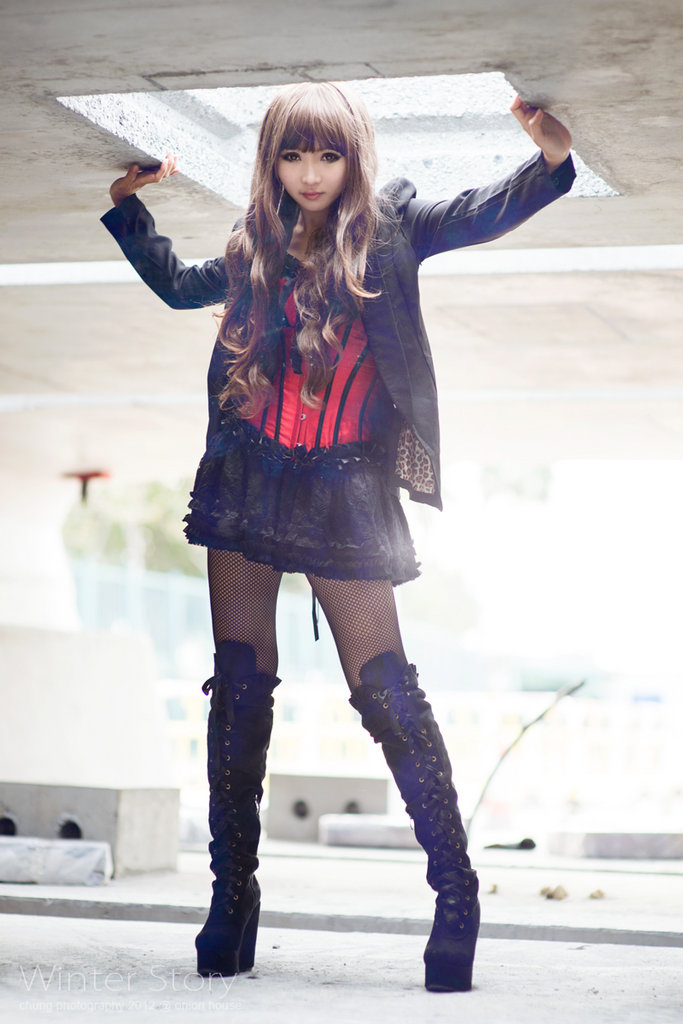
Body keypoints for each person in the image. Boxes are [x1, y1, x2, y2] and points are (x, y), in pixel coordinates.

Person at [102, 82, 574, 992]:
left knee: (384, 687)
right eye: (292, 155)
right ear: (271, 163)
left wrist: (550, 159)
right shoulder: (253, 243)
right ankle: (231, 896)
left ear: (353, 157)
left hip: (345, 490)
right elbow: (179, 287)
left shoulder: (393, 230)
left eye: (326, 155)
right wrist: (128, 210)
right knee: (238, 682)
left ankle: (455, 894)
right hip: (248, 476)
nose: (310, 173)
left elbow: (483, 211)